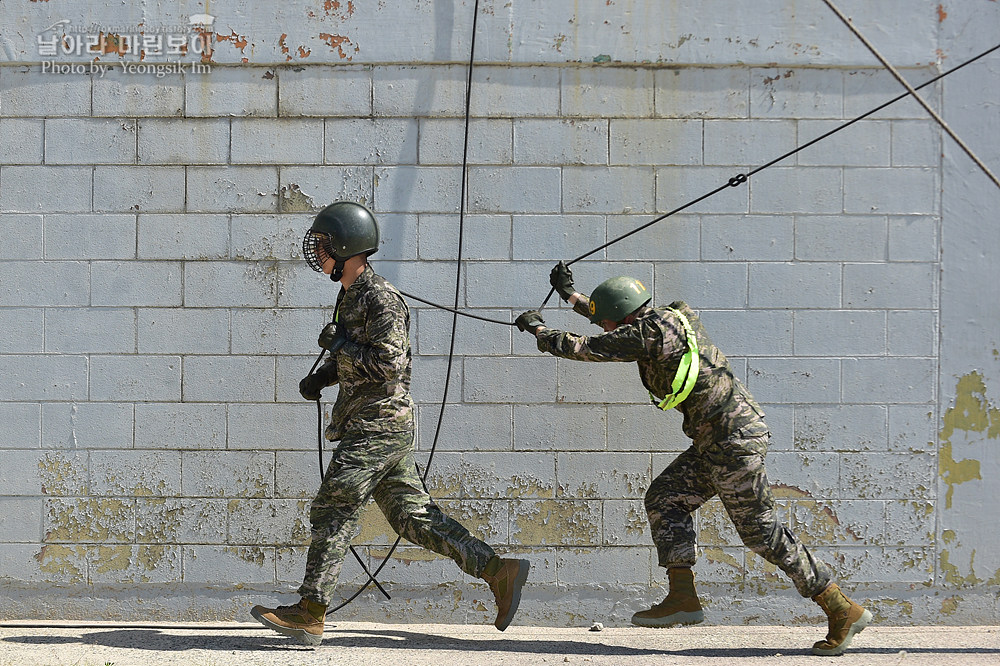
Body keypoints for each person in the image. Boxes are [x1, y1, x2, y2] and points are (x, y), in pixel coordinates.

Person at [513, 262, 871, 657]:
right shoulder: (665, 319)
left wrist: (539, 330)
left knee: (760, 534)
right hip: (714, 442)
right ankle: (683, 598)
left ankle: (841, 609)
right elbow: (612, 323)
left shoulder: (649, 333)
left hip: (732, 442)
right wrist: (570, 295)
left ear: (625, 316)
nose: (607, 329)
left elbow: (588, 347)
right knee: (665, 498)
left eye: (610, 322)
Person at [251, 201, 529, 646]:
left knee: (334, 507)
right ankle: (498, 570)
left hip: (378, 424)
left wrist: (339, 347)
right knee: (413, 518)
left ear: (347, 248)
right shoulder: (349, 294)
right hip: (375, 422)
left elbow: (388, 364)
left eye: (323, 245)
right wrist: (321, 376)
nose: (316, 251)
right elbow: (353, 356)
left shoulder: (380, 297)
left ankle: (310, 610)